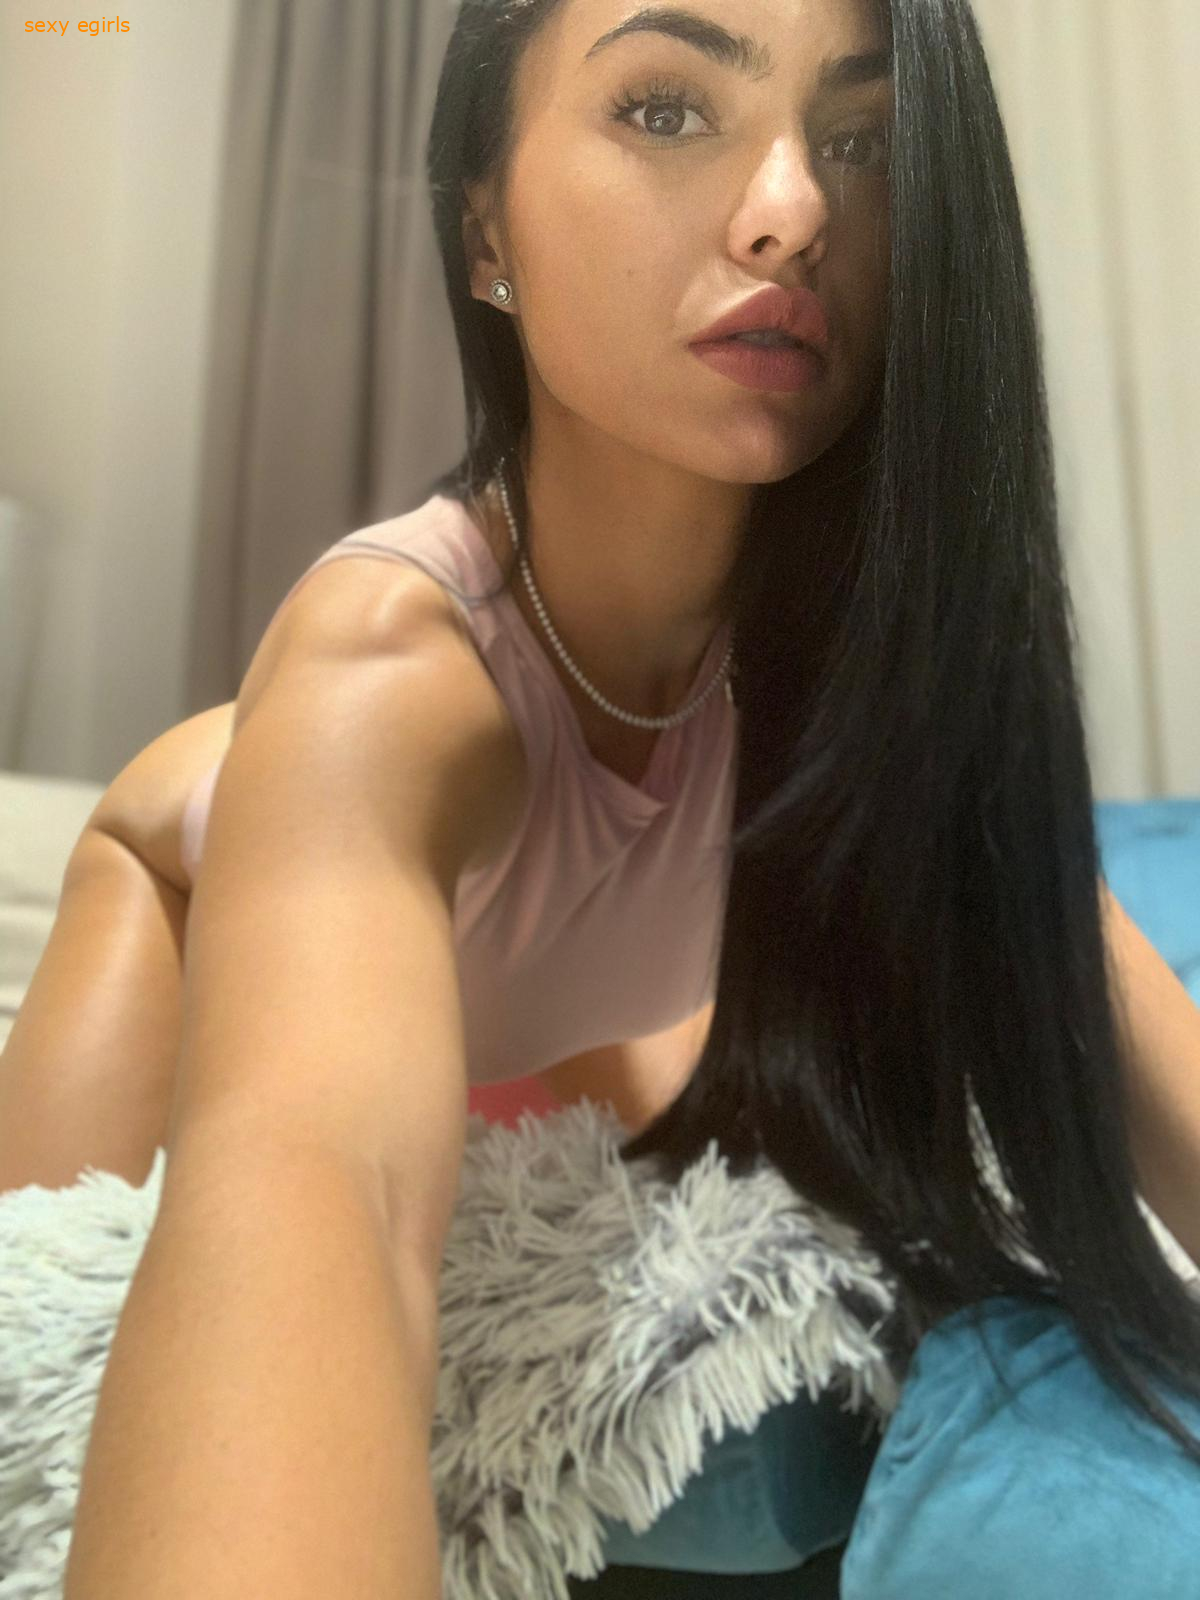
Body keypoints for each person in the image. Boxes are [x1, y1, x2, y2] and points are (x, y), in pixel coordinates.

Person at [6, 0, 1198, 1595]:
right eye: (664, 109)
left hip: (554, 974)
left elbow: (1095, 1007)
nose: (795, 209)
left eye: (862, 140)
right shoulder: (385, 672)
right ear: (487, 232)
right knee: (47, 1360)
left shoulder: (867, 653)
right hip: (182, 890)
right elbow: (326, 1191)